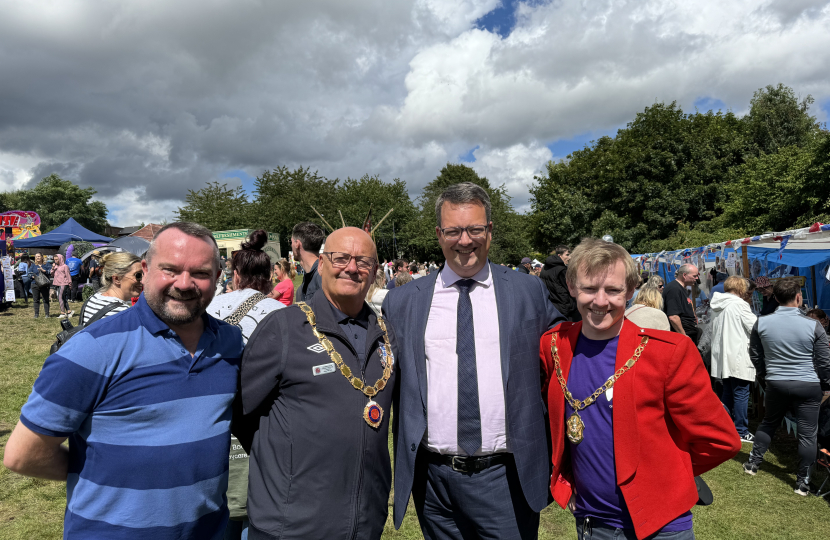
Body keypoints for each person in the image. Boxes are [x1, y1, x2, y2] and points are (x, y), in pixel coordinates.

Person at [3, 222, 244, 538]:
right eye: (170, 269)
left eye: (200, 273)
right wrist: (105, 473)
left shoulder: (230, 343)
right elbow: (24, 455)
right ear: (144, 270)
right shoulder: (94, 348)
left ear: (217, 276)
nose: (184, 284)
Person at [383, 182, 564, 539]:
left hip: (504, 477)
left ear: (490, 231)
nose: (465, 240)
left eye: (475, 229)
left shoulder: (527, 291)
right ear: (439, 234)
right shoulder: (403, 302)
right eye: (453, 230)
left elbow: (564, 354)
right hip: (433, 482)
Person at [541, 238, 740, 540]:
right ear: (571, 287)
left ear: (631, 291)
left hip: (660, 526)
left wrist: (664, 476)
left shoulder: (667, 352)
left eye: (613, 290)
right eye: (589, 288)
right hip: (592, 523)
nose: (600, 301)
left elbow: (721, 440)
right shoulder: (555, 345)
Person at [234, 227, 397, 539]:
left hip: (364, 524)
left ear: (375, 270)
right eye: (341, 258)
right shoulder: (283, 327)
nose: (352, 267)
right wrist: (289, 469)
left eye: (363, 261)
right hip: (292, 525)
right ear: (321, 263)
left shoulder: (387, 335)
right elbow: (240, 413)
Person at [206, 230, 284, 540]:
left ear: (235, 275)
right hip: (264, 424)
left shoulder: (210, 308)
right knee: (259, 510)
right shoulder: (284, 314)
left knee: (219, 510)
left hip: (218, 418)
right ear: (269, 277)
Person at [744, 277, 830, 495]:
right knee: (808, 433)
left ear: (775, 297)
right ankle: (803, 481)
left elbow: (754, 354)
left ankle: (753, 463)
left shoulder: (761, 322)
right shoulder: (814, 325)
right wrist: (826, 384)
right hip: (808, 384)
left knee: (769, 422)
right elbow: (824, 361)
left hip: (776, 382)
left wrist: (764, 374)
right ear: (799, 297)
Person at [710, 276, 758, 444]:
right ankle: (741, 430)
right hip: (737, 353)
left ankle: (723, 425)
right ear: (740, 289)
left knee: (729, 392)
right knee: (741, 393)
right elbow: (755, 327)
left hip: (723, 355)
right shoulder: (739, 304)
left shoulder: (717, 305)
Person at [79, 252, 143, 325]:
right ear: (117, 279)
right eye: (138, 275)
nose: (143, 280)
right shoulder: (122, 313)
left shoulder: (93, 299)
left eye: (144, 274)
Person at [663, 264, 701, 345]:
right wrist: (684, 336)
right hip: (683, 334)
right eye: (694, 276)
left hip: (690, 331)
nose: (697, 278)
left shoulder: (681, 288)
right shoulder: (674, 289)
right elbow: (673, 317)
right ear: (684, 275)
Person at [541, 244, 579, 321]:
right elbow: (571, 290)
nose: (569, 257)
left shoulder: (545, 268)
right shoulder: (561, 270)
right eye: (567, 255)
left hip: (551, 307)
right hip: (566, 309)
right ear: (559, 255)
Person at [291, 221, 326, 302]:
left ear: (297, 244)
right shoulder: (310, 276)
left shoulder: (321, 276)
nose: (291, 245)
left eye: (291, 242)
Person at [51, 254, 73, 319]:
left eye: (57, 259)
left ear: (60, 259)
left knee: (60, 297)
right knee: (62, 298)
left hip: (63, 283)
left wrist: (70, 284)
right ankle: (69, 311)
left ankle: (62, 312)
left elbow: (68, 275)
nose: (55, 261)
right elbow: (52, 274)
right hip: (57, 283)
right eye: (54, 259)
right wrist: (53, 268)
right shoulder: (55, 266)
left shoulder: (65, 266)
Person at [31, 253, 51, 318]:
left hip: (44, 284)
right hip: (35, 284)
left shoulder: (47, 264)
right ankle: (36, 314)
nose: (37, 258)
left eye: (39, 256)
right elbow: (29, 273)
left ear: (42, 257)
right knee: (36, 300)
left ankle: (47, 314)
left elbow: (51, 272)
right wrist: (32, 276)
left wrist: (44, 271)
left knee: (45, 299)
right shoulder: (33, 265)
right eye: (36, 257)